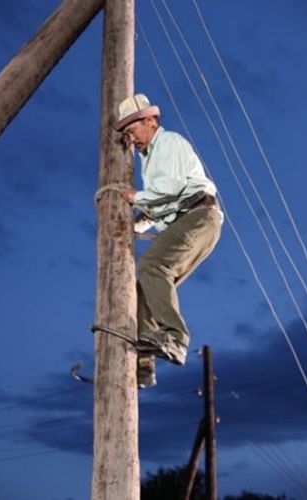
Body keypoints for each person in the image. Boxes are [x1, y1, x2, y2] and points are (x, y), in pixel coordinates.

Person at [115, 94, 223, 389]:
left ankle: (176, 338)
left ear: (150, 121)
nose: (131, 138)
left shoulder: (169, 143)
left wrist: (135, 197)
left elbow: (170, 188)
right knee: (145, 287)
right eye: (125, 134)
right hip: (188, 218)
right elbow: (162, 202)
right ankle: (145, 364)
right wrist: (138, 223)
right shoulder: (149, 159)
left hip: (200, 215)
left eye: (132, 130)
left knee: (152, 266)